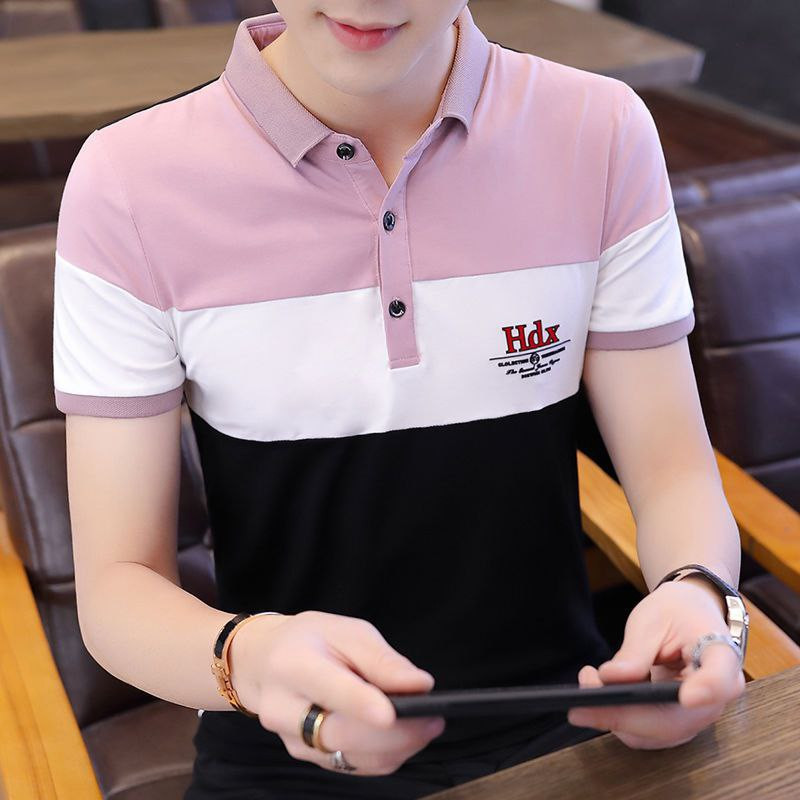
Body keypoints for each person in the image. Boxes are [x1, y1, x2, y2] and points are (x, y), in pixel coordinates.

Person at [52, 2, 747, 798]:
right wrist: (254, 661)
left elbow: (672, 472)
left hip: (574, 725)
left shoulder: (601, 130)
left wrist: (699, 595)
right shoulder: (129, 181)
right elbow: (117, 587)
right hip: (284, 752)